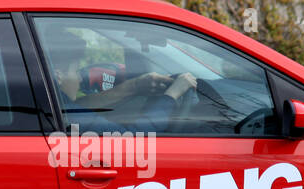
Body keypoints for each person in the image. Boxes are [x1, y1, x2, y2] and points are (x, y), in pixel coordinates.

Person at [43, 31, 197, 134]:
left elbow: (79, 106)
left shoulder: (52, 106)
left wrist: (135, 86)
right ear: (58, 76)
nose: (80, 78)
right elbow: (133, 139)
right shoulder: (71, 118)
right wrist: (171, 96)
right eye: (76, 71)